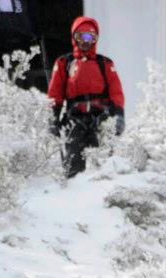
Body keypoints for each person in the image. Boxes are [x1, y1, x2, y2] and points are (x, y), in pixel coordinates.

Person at [47, 15, 125, 178]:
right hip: (75, 119)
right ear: (74, 37)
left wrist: (119, 115)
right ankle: (73, 195)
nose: (85, 41)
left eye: (90, 36)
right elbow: (55, 93)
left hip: (101, 117)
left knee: (105, 163)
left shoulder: (105, 63)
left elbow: (116, 92)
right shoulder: (64, 63)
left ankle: (106, 194)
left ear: (95, 38)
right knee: (73, 162)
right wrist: (53, 117)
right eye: (80, 36)